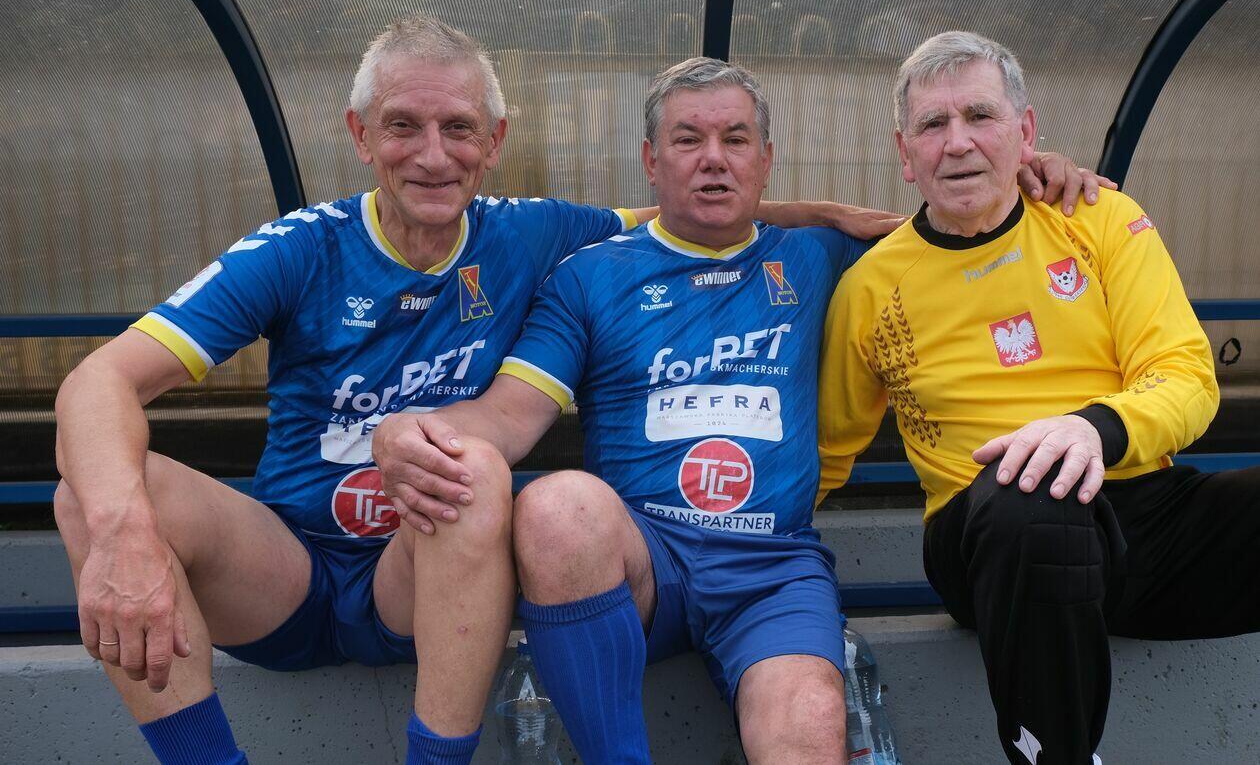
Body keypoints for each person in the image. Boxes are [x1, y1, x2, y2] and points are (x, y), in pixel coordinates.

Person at [50, 14, 906, 765]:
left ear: (493, 141)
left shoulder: (529, 234)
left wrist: (847, 217)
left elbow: (687, 218)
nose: (433, 154)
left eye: (458, 127)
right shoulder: (301, 248)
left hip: (418, 579)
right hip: (287, 570)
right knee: (93, 493)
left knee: (469, 467)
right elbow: (98, 382)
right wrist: (126, 536)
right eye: (403, 126)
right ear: (359, 135)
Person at [371, 55, 1109, 762]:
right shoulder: (588, 276)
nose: (713, 160)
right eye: (688, 140)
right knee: (557, 506)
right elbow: (508, 417)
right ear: (651, 160)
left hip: (772, 567)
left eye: (735, 139)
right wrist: (407, 431)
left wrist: (1036, 168)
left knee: (808, 721)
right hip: (644, 561)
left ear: (766, 159)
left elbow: (961, 221)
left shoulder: (823, 255)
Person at [818, 30, 1260, 764]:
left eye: (980, 116)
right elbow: (824, 452)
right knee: (1030, 496)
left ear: (1025, 132)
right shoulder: (870, 287)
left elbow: (1186, 373)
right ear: (905, 153)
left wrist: (1092, 430)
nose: (957, 142)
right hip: (986, 535)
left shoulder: (1100, 218)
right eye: (933, 124)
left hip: (1136, 513)